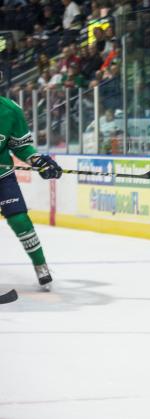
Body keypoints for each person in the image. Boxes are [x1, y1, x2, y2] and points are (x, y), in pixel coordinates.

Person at [0, 72, 63, 290]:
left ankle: (40, 265)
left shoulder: (10, 110)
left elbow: (21, 145)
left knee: (19, 220)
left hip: (2, 176)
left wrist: (36, 159)